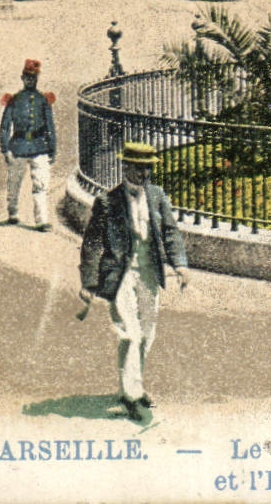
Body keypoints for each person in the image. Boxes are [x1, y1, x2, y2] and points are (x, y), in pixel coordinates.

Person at [78, 140, 189, 420]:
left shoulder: (157, 196)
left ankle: (132, 385)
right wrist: (89, 282)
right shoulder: (108, 202)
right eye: (139, 169)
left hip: (149, 272)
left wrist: (181, 266)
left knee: (147, 334)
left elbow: (170, 232)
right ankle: (132, 394)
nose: (144, 175)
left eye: (148, 169)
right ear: (125, 166)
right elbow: (92, 243)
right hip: (121, 274)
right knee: (130, 331)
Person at [0, 58, 57, 230]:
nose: (31, 80)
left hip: (39, 148)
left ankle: (41, 220)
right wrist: (5, 149)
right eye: (28, 77)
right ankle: (13, 213)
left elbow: (50, 126)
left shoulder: (43, 100)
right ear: (23, 78)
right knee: (14, 183)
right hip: (18, 147)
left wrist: (52, 149)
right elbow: (5, 126)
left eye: (33, 77)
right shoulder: (14, 100)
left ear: (37, 79)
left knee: (41, 185)